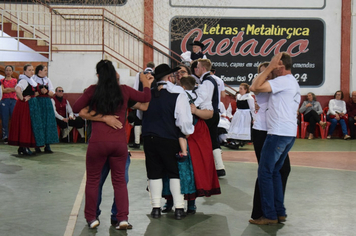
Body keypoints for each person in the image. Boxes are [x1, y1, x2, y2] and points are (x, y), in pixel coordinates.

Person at [72, 59, 153, 230]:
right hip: (118, 143)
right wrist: (146, 82)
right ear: (115, 74)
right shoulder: (123, 90)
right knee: (120, 182)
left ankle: (92, 218)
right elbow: (146, 98)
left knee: (93, 181)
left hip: (98, 143)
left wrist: (101, 116)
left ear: (98, 75)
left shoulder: (93, 91)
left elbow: (76, 107)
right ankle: (122, 218)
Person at [249, 52, 300, 225]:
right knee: (276, 172)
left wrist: (271, 66)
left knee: (265, 173)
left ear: (280, 66)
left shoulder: (282, 81)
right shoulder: (291, 81)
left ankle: (269, 215)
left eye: (273, 65)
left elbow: (254, 87)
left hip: (277, 133)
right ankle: (280, 212)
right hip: (288, 132)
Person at [142, 63, 194, 220]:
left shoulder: (147, 94)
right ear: (169, 77)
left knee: (154, 173)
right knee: (174, 172)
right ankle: (179, 208)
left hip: (149, 137)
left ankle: (155, 208)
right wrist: (186, 133)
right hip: (169, 137)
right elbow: (184, 122)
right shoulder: (178, 94)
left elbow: (140, 115)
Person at [194, 58, 226, 177]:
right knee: (213, 140)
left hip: (209, 113)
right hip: (214, 113)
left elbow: (203, 97)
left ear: (203, 68)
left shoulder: (207, 81)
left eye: (197, 66)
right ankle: (219, 167)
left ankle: (205, 167)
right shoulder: (210, 80)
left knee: (203, 139)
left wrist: (193, 105)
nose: (196, 69)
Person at [8, 64, 42, 155]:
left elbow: (34, 93)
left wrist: (32, 96)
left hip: (31, 104)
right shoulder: (24, 80)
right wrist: (22, 99)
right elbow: (18, 90)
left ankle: (23, 147)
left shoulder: (31, 80)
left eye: (32, 69)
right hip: (25, 106)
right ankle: (24, 146)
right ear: (25, 71)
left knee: (29, 125)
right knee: (25, 125)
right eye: (29, 70)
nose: (32, 71)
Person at [33, 64, 59, 153]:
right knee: (38, 122)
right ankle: (38, 145)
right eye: (45, 70)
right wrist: (40, 91)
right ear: (39, 71)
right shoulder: (33, 79)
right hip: (37, 102)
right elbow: (32, 92)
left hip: (47, 102)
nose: (46, 72)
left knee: (48, 122)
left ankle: (47, 145)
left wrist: (47, 91)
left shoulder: (47, 79)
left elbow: (52, 93)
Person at [129, 62, 155, 148]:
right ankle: (149, 141)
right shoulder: (155, 74)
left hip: (141, 99)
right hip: (152, 101)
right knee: (150, 120)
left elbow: (136, 87)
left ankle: (137, 142)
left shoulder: (139, 74)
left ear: (146, 67)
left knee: (138, 120)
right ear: (153, 68)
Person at [226, 83, 255, 149]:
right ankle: (234, 141)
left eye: (241, 89)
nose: (240, 90)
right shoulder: (238, 96)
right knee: (236, 127)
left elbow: (252, 108)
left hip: (245, 115)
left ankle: (240, 141)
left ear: (246, 90)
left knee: (243, 128)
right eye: (239, 88)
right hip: (238, 114)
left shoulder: (249, 98)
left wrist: (254, 118)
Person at [1, 65, 17, 144]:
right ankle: (5, 136)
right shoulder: (2, 80)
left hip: (13, 100)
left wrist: (8, 89)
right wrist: (11, 89)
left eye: (10, 70)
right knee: (5, 119)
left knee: (14, 119)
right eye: (7, 70)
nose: (8, 72)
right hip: (4, 101)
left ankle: (14, 136)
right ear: (5, 71)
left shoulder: (15, 80)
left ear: (12, 71)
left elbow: (16, 89)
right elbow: (3, 91)